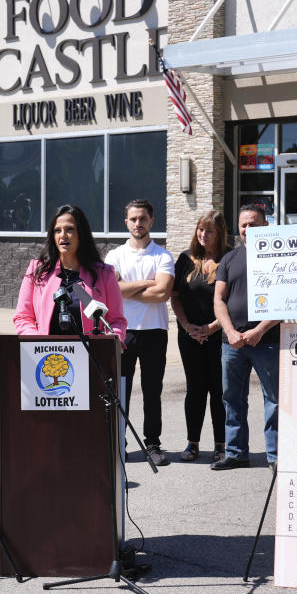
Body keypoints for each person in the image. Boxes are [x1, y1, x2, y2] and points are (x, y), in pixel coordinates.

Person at [105, 199, 175, 466]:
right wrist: (148, 282)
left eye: (143, 218)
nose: (138, 223)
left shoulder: (163, 255)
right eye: (133, 219)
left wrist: (128, 288)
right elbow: (113, 292)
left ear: (151, 221)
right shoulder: (114, 256)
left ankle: (153, 444)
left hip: (154, 332)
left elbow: (163, 293)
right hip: (122, 332)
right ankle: (118, 443)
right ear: (126, 222)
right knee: (120, 390)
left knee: (152, 390)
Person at [211, 204, 281, 471]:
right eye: (244, 225)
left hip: (268, 340)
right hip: (233, 343)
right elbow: (219, 299)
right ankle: (236, 452)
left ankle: (275, 456)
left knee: (273, 399)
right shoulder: (230, 259)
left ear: (265, 225)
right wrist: (229, 332)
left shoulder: (277, 256)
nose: (248, 229)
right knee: (232, 398)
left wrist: (259, 330)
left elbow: (285, 302)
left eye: (253, 224)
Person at [13, 204, 126, 342]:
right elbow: (23, 317)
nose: (63, 235)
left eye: (69, 229)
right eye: (57, 230)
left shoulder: (104, 274)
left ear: (81, 233)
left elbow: (116, 321)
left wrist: (109, 342)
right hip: (47, 357)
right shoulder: (36, 270)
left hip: (90, 357)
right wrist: (37, 342)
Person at [170, 211, 229, 463]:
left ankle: (221, 445)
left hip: (220, 335)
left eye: (210, 231)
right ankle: (192, 444)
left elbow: (234, 300)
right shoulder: (185, 258)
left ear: (220, 234)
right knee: (194, 390)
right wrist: (187, 326)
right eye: (200, 229)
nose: (203, 235)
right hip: (189, 335)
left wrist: (213, 327)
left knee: (218, 391)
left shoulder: (229, 258)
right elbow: (175, 297)